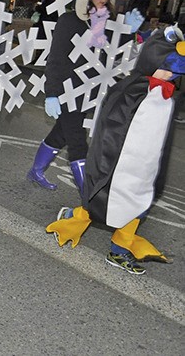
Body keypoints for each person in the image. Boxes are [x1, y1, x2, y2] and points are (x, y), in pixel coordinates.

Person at [46, 25, 185, 275]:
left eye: (173, 73)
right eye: (165, 69)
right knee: (103, 204)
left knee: (138, 208)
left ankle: (118, 252)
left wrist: (158, 172)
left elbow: (162, 138)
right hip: (119, 164)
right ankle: (71, 217)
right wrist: (103, 166)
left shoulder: (166, 96)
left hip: (144, 167)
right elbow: (110, 130)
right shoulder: (131, 90)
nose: (168, 76)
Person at [26, 0, 143, 196]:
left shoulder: (104, 22)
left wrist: (129, 32)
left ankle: (36, 171)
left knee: (61, 134)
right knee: (78, 143)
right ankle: (89, 195)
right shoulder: (69, 21)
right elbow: (56, 59)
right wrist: (51, 93)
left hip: (90, 92)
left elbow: (112, 54)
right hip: (69, 91)